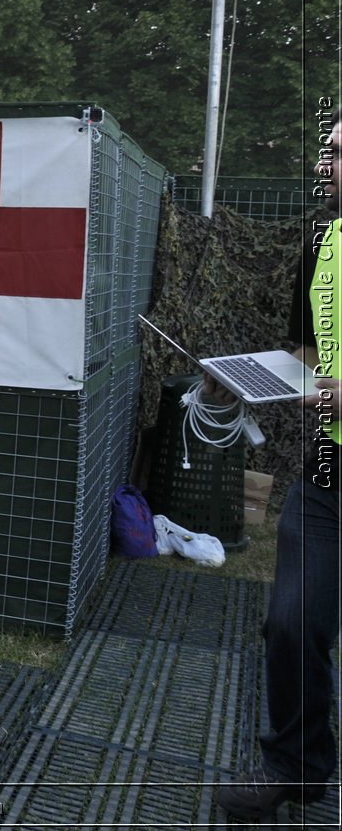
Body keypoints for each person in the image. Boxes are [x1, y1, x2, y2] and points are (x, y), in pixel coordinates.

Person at [214, 116, 341, 821]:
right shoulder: (322, 243)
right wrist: (237, 377)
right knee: (292, 624)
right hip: (328, 475)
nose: (328, 164)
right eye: (329, 150)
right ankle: (295, 767)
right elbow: (303, 356)